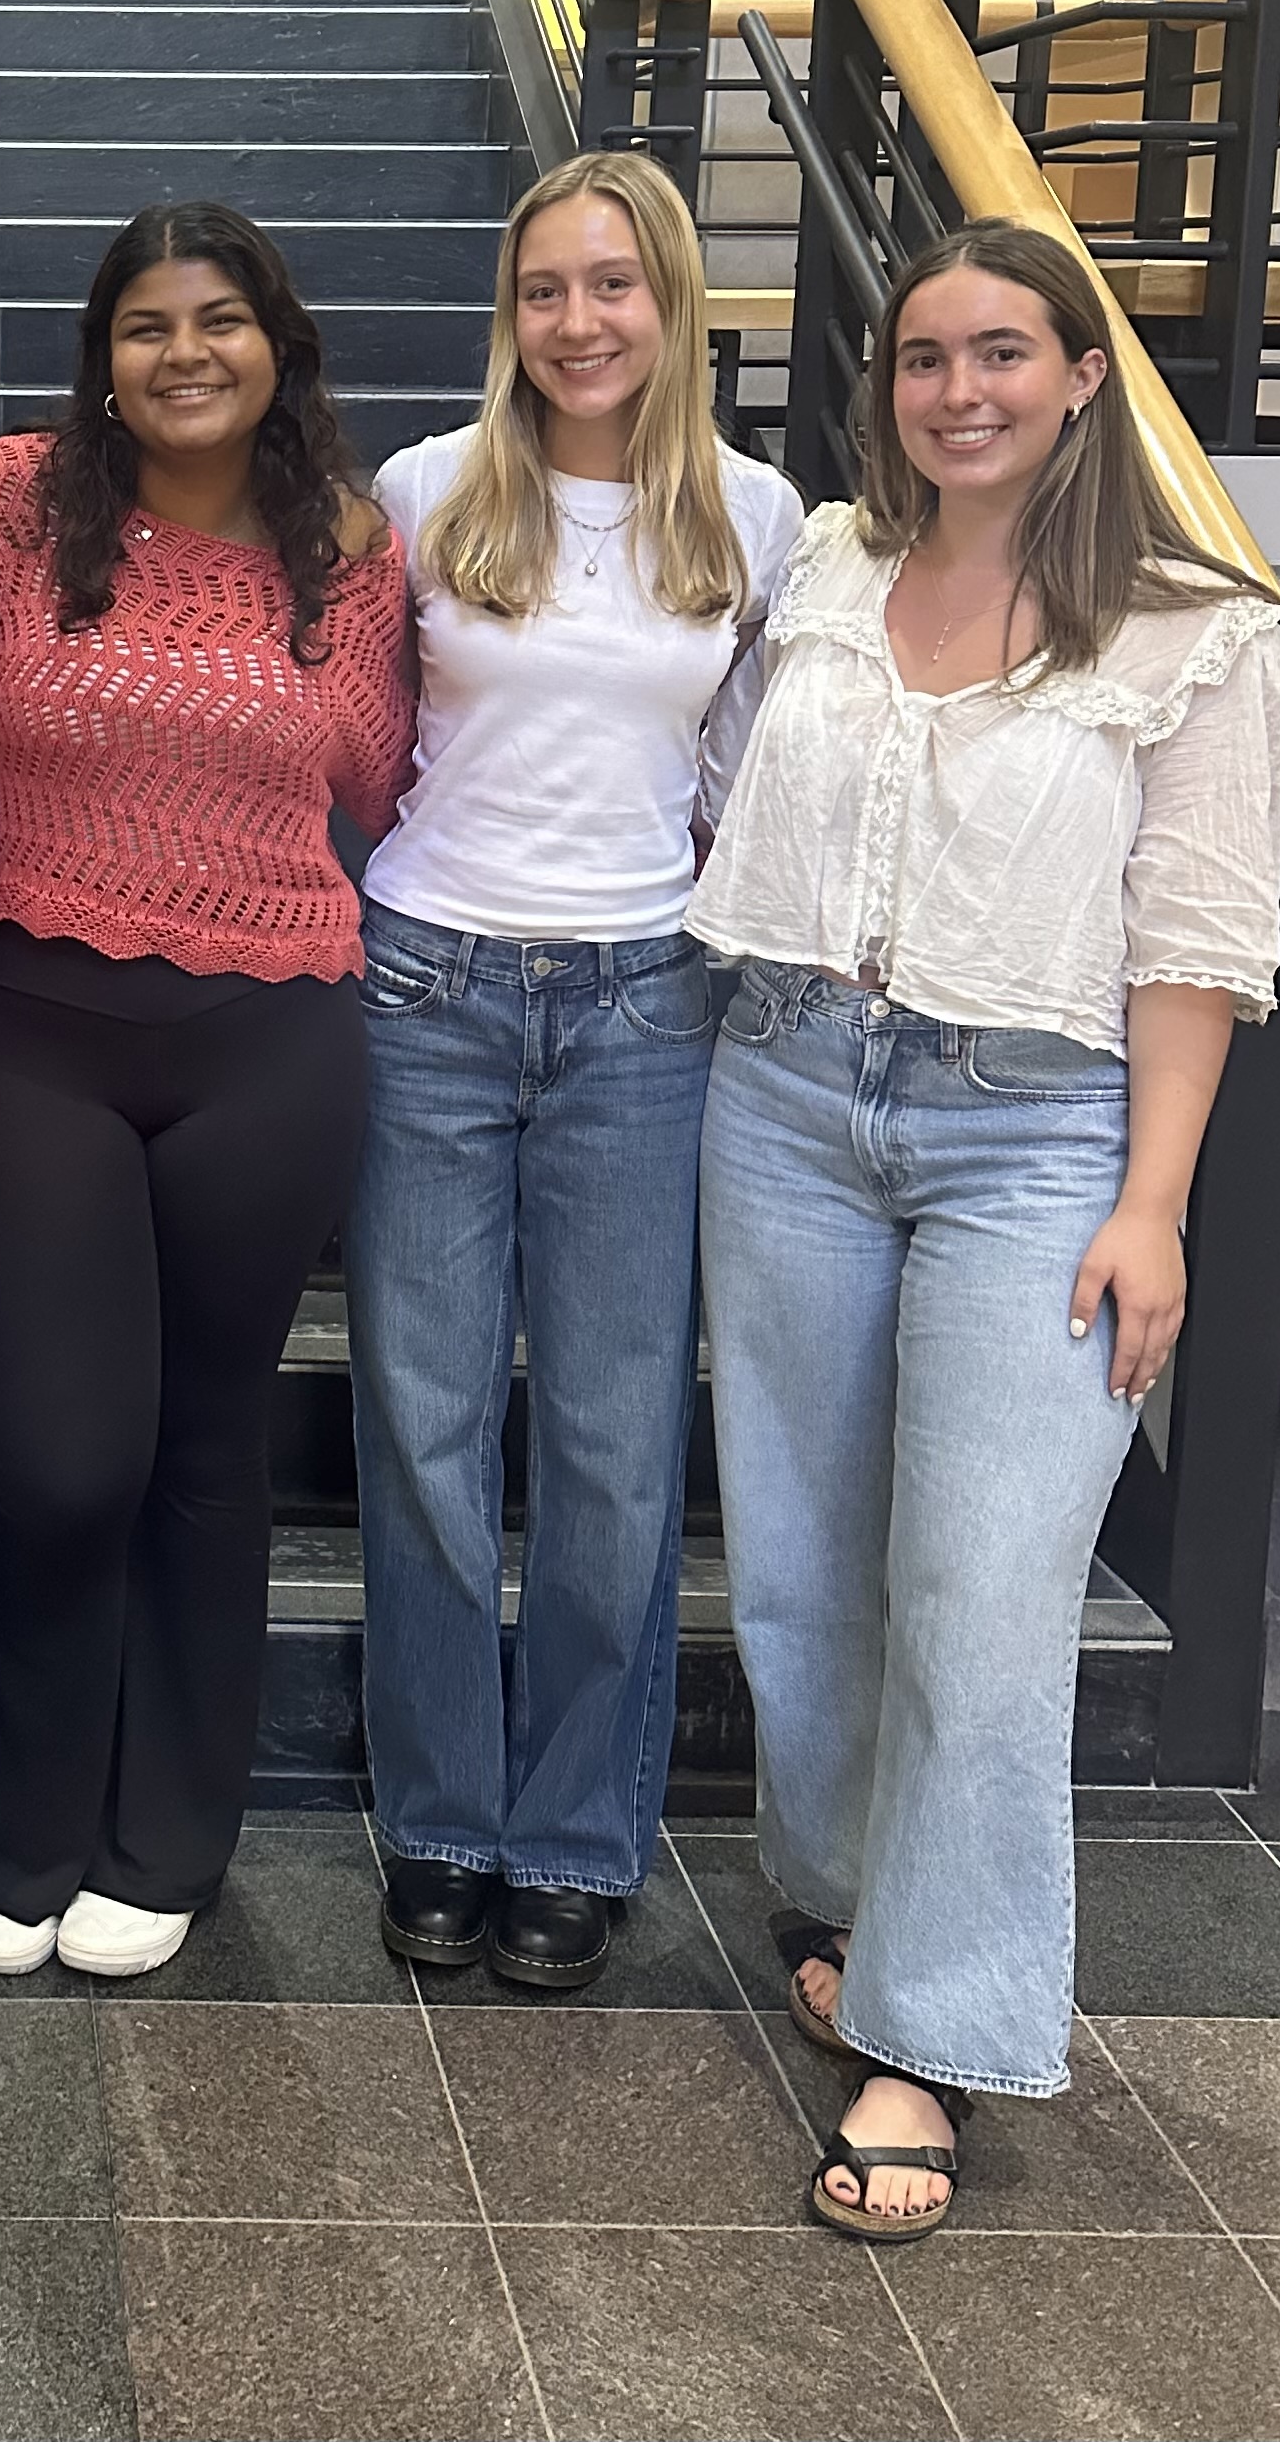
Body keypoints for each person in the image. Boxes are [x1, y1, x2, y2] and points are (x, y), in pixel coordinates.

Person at [690, 221, 1280, 2240]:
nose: (957, 390)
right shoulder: (830, 570)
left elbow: (1193, 944)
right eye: (924, 358)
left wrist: (1154, 1206)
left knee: (978, 1586)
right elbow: (722, 794)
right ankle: (861, 1911)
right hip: (779, 1087)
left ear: (1076, 374)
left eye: (1000, 354)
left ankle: (927, 2040)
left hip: (1027, 1136)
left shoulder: (1195, 636)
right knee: (795, 1561)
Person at [0, 203, 413, 1979]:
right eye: (146, 324)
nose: (185, 353)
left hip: (269, 1036)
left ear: (275, 344)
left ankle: (168, 1832)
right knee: (67, 1456)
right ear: (101, 354)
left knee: (207, 1452)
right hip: (33, 1026)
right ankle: (19, 1811)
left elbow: (372, 763)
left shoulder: (348, 550)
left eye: (220, 321)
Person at [352, 152, 802, 1994]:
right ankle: (441, 1820)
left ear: (669, 302)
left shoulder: (758, 515)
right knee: (428, 1425)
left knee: (613, 1449)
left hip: (640, 1004)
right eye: (544, 289)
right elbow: (361, 728)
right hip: (423, 986)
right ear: (508, 314)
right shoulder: (425, 491)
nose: (578, 321)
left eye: (613, 285)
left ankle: (574, 1835)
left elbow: (751, 779)